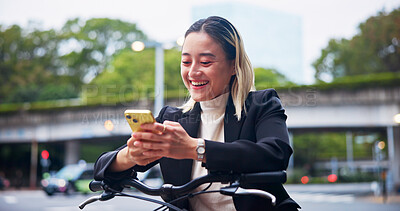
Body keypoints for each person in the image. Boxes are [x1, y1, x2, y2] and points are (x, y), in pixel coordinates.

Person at [94, 16, 300, 211]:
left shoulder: (261, 104)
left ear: (233, 66)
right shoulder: (172, 118)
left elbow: (275, 154)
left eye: (205, 62)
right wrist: (130, 156)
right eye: (186, 62)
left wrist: (195, 148)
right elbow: (102, 166)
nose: (192, 72)